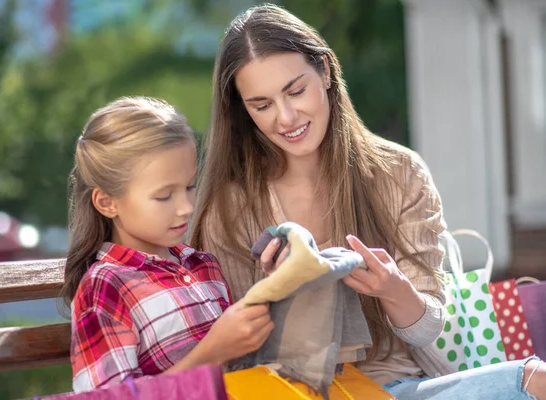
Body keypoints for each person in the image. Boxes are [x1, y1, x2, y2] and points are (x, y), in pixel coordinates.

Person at [188, 4, 545, 399]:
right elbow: (233, 355)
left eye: (295, 91)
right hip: (293, 392)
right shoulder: (230, 208)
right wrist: (279, 295)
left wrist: (393, 289)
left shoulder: (398, 172)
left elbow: (429, 329)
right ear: (242, 109)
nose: (286, 117)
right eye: (262, 105)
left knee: (536, 378)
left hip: (398, 387)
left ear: (325, 71)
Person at [61, 96, 274, 392]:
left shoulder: (202, 265)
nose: (187, 206)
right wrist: (211, 353)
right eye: (164, 195)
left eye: (189, 187)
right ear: (107, 202)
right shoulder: (106, 288)